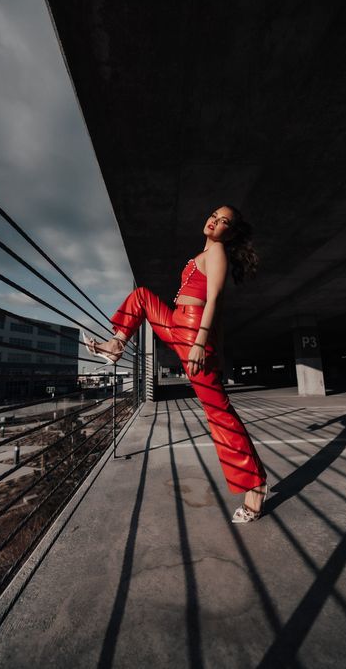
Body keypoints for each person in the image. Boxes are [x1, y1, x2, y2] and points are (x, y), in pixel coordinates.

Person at [85, 205, 268, 523]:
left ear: (231, 232)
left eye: (224, 221)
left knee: (220, 414)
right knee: (141, 296)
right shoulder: (204, 253)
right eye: (213, 215)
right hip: (176, 323)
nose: (214, 221)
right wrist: (218, 351)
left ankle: (255, 486)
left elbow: (214, 302)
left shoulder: (218, 253)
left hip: (193, 333)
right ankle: (116, 344)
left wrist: (202, 344)